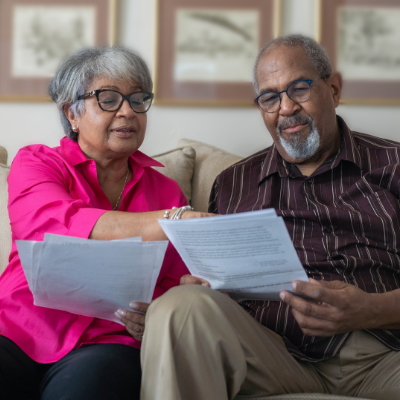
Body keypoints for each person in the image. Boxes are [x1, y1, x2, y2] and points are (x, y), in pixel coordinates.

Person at [140, 34, 400, 400]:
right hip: (271, 354)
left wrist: (370, 310)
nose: (286, 108)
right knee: (179, 307)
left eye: (299, 88)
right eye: (270, 97)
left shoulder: (394, 165)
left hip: (382, 355)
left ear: (335, 89)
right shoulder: (233, 183)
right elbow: (218, 284)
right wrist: (205, 291)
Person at [0, 46, 212, 400]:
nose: (128, 111)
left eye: (137, 99)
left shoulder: (167, 190)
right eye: (109, 99)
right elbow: (53, 225)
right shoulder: (37, 163)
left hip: (109, 340)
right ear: (73, 113)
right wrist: (172, 220)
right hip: (19, 327)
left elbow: (175, 281)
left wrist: (158, 312)